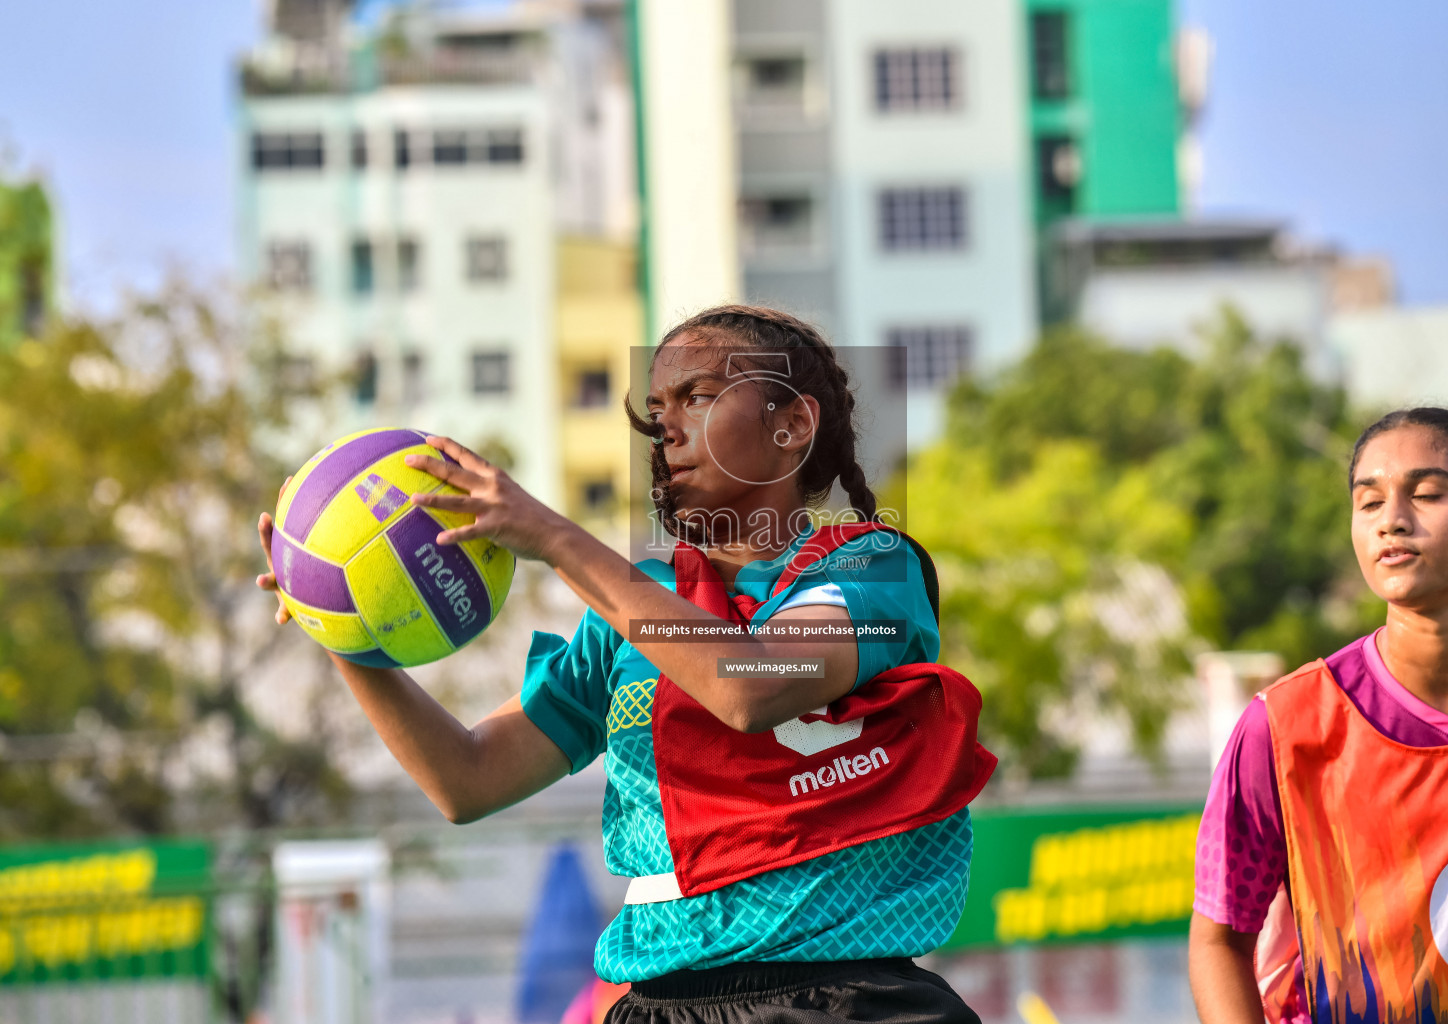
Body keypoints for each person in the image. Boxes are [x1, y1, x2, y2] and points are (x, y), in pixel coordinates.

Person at [256, 305, 995, 1024]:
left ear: (791, 424)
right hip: (660, 1004)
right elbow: (467, 780)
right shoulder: (635, 612)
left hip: (843, 1000)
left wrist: (552, 536)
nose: (667, 425)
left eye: (698, 397)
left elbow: (752, 685)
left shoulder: (874, 567)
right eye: (656, 407)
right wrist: (339, 621)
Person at [1189, 407, 1448, 1022]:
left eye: (1426, 494)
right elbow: (1219, 940)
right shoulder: (1285, 724)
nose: (1392, 521)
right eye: (1369, 502)